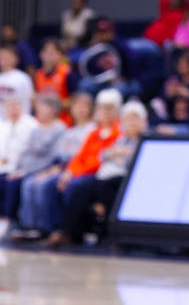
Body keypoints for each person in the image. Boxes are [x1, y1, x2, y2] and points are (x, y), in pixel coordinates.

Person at [45, 98, 145, 249]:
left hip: (124, 177)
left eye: (135, 119)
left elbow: (134, 163)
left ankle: (109, 231)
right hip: (105, 174)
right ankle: (67, 232)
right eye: (128, 119)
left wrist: (120, 155)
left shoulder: (142, 140)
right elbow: (102, 155)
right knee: (78, 189)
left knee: (95, 186)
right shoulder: (121, 139)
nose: (131, 123)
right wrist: (114, 153)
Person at [41, 88, 121, 248]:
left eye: (109, 108)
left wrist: (75, 174)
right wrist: (69, 172)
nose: (104, 112)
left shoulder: (118, 132)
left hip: (99, 175)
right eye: (102, 108)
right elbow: (80, 156)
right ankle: (51, 229)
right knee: (51, 184)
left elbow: (100, 161)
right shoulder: (94, 132)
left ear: (116, 111)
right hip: (81, 172)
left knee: (76, 187)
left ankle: (69, 232)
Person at [12, 92, 93, 242]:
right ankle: (29, 225)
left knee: (46, 184)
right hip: (62, 166)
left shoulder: (92, 130)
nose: (80, 110)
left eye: (84, 106)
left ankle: (48, 227)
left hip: (78, 170)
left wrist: (62, 170)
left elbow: (83, 156)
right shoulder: (70, 131)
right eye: (77, 106)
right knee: (31, 182)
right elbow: (58, 155)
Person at [2, 95, 64, 226]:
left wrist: (29, 171)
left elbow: (53, 157)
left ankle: (40, 225)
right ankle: (26, 224)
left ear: (53, 109)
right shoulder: (36, 129)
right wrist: (20, 170)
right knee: (15, 180)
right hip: (25, 168)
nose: (39, 110)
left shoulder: (58, 128)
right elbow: (26, 153)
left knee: (29, 184)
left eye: (42, 107)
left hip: (43, 169)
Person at [0, 98, 39, 215]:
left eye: (15, 106)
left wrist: (21, 170)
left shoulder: (31, 125)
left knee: (10, 183)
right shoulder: (3, 126)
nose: (13, 110)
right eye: (9, 107)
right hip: (3, 167)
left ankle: (7, 219)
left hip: (22, 168)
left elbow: (32, 152)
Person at [152, 50, 189, 124]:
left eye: (184, 64)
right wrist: (168, 95)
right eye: (180, 64)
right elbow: (160, 101)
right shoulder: (174, 80)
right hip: (173, 121)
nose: (181, 66)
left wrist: (188, 94)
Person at [34, 40, 71, 120]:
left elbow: (74, 101)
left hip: (62, 121)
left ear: (60, 55)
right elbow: (35, 97)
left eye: (52, 53)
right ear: (41, 54)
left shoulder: (67, 73)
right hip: (42, 121)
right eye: (46, 53)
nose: (49, 56)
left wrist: (51, 105)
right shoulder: (38, 74)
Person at [0, 45, 33, 112]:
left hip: (18, 118)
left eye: (6, 57)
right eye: (1, 57)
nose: (3, 59)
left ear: (15, 59)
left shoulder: (22, 78)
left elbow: (29, 99)